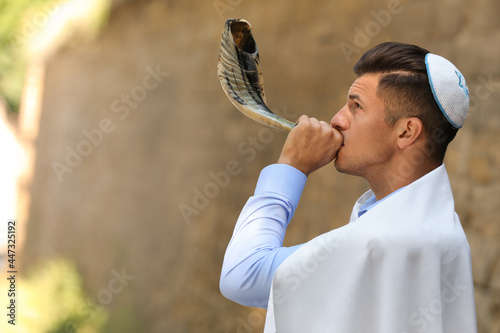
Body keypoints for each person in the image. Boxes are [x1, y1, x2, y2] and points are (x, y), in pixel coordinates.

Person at [219, 42, 477, 333]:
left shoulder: (377, 242)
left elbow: (242, 274)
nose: (337, 120)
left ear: (406, 132)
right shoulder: (442, 227)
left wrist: (291, 165)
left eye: (356, 107)